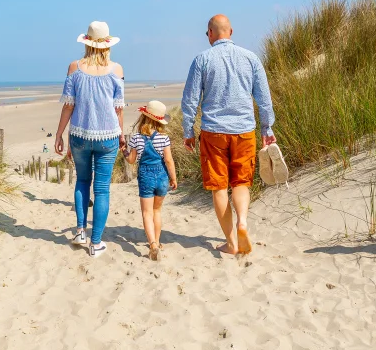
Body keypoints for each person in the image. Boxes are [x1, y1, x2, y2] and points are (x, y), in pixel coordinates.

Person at [181, 15, 276, 256]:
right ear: (231, 31)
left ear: (210, 34)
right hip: (244, 130)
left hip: (213, 132)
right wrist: (267, 129)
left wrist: (188, 131)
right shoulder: (251, 58)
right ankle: (242, 221)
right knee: (241, 182)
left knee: (219, 187)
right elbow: (264, 99)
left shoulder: (202, 59)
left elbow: (190, 100)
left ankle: (231, 242)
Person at [55, 21, 125, 259]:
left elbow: (68, 105)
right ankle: (96, 243)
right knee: (102, 189)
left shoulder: (74, 67)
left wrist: (59, 134)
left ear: (86, 41)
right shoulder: (117, 70)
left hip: (80, 135)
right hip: (108, 136)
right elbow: (119, 109)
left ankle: (81, 232)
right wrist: (122, 134)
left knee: (82, 181)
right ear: (107, 44)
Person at [121, 100, 177, 261]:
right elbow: (169, 160)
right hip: (162, 177)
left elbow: (131, 160)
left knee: (147, 213)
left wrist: (124, 151)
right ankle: (157, 242)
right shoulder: (164, 138)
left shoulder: (136, 138)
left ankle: (152, 244)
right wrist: (173, 178)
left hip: (145, 177)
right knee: (157, 211)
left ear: (143, 118)